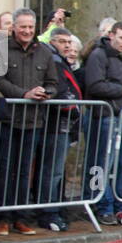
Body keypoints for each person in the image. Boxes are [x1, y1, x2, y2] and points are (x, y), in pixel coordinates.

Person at [0, 8, 59, 235]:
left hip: (33, 121)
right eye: (23, 27)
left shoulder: (45, 52)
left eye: (30, 27)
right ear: (14, 28)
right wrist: (23, 94)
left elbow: (53, 83)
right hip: (7, 119)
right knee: (4, 169)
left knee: (23, 171)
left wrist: (45, 93)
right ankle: (3, 218)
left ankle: (21, 217)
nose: (27, 31)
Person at [84, 22, 122, 225]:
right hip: (106, 116)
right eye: (121, 38)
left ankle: (121, 205)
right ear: (111, 36)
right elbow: (94, 85)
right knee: (103, 164)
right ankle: (103, 206)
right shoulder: (98, 55)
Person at [33, 27, 83, 231]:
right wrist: (70, 105)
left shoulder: (60, 61)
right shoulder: (53, 61)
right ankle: (48, 212)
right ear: (53, 41)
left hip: (61, 124)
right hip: (54, 124)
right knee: (51, 171)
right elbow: (59, 89)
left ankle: (52, 209)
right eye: (63, 41)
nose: (68, 46)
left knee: (54, 171)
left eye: (69, 42)